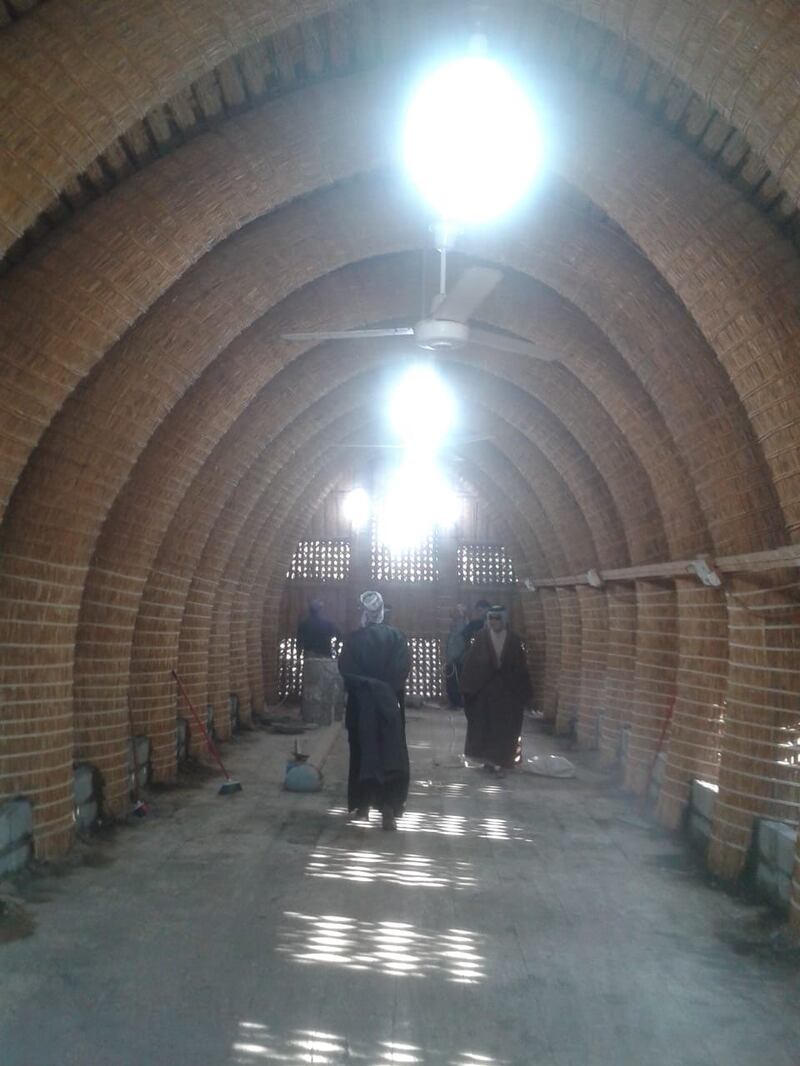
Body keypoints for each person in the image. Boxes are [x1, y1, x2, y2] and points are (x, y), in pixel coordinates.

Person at [338, 590, 411, 830]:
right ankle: (388, 810)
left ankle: (363, 805)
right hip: (390, 706)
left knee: (362, 752)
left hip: (361, 707)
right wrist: (385, 689)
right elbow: (401, 672)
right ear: (381, 613)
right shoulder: (397, 637)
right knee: (391, 754)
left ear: (364, 614)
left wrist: (368, 687)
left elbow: (347, 671)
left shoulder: (354, 639)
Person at [459, 604, 532, 774]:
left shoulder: (514, 640)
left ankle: (503, 759)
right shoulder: (480, 638)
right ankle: (487, 761)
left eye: (497, 618)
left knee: (505, 728)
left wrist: (522, 691)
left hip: (507, 694)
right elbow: (472, 664)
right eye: (491, 618)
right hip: (484, 693)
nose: (494, 622)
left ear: (504, 620)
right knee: (485, 727)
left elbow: (520, 668)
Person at [444, 604, 467, 708]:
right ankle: (454, 702)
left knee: (455, 683)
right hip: (452, 660)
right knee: (452, 683)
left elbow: (461, 643)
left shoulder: (462, 625)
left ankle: (456, 703)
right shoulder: (455, 626)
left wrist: (455, 657)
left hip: (457, 660)